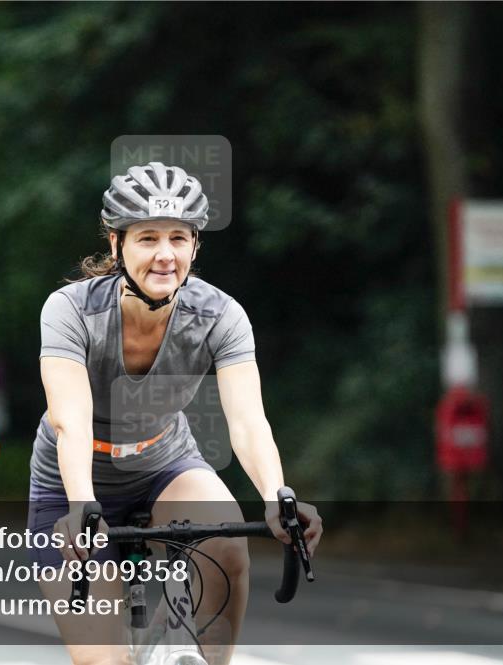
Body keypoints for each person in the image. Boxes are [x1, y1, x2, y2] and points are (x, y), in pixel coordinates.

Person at [28, 162, 323, 665]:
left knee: (227, 549)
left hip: (165, 464)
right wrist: (82, 505)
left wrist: (277, 496)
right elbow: (69, 420)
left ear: (195, 246)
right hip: (73, 481)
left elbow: (249, 421)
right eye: (147, 239)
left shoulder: (220, 315)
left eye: (179, 239)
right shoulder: (70, 309)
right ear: (117, 244)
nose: (165, 255)